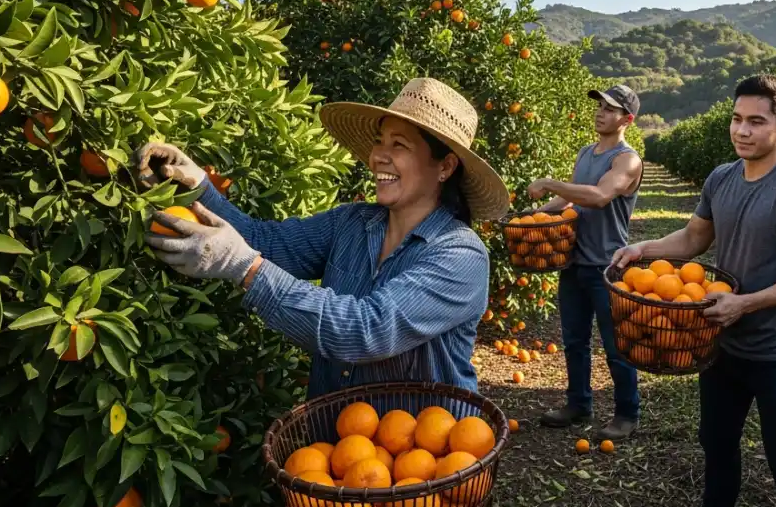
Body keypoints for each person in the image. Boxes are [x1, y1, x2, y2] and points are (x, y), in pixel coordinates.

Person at [135, 77, 510, 397]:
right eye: (380, 141)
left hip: (426, 457)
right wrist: (199, 185)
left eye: (400, 145)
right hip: (341, 455)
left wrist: (244, 268)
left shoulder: (460, 255)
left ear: (444, 166)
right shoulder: (352, 222)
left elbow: (367, 331)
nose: (379, 155)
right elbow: (265, 242)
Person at [612, 74, 776, 507]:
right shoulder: (722, 178)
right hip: (722, 346)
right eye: (737, 119)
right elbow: (695, 238)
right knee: (716, 445)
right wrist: (643, 249)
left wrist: (746, 303)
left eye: (756, 121)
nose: (742, 131)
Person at [526, 84, 645, 441]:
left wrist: (548, 182)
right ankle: (578, 403)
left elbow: (599, 196)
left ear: (627, 119)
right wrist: (532, 217)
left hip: (607, 267)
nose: (600, 112)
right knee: (574, 341)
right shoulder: (585, 152)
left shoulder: (626, 159)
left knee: (616, 345)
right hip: (574, 261)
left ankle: (627, 412)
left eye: (610, 109)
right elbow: (570, 201)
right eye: (599, 106)